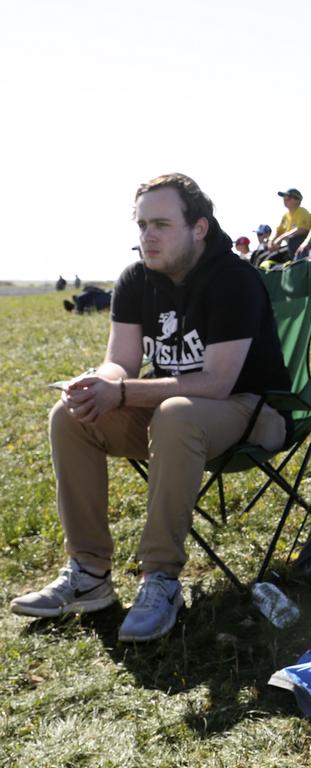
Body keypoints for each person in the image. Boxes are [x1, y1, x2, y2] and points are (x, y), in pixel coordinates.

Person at [10, 173, 290, 642]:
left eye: (161, 224)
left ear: (198, 228)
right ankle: (89, 574)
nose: (147, 236)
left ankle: (160, 578)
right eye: (141, 225)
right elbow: (121, 362)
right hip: (175, 415)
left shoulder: (233, 278)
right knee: (70, 417)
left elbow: (218, 383)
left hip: (251, 412)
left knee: (177, 412)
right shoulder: (136, 278)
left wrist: (122, 394)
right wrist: (99, 383)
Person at [268, 188, 311, 261]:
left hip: (303, 245)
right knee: (263, 256)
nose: (284, 200)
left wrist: (280, 238)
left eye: (288, 198)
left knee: (293, 240)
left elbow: (302, 230)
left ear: (297, 200)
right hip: (290, 247)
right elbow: (278, 232)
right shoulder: (285, 216)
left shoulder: (302, 211)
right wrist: (271, 242)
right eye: (284, 198)